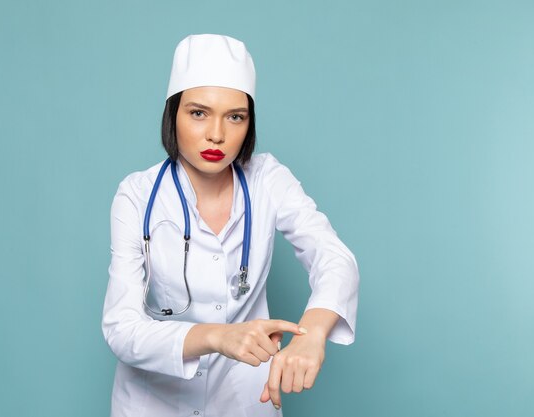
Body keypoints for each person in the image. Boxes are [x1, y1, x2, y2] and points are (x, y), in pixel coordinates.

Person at [102, 34, 359, 417]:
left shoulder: (267, 179)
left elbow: (334, 258)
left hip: (244, 399)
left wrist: (312, 334)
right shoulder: (137, 195)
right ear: (173, 114)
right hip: (152, 404)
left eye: (235, 116)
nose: (217, 135)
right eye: (199, 113)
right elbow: (121, 328)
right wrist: (218, 337)